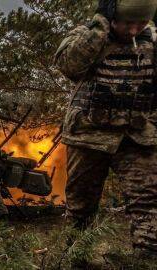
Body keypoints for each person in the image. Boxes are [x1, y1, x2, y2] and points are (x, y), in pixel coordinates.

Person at [55, 0, 157, 256]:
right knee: (80, 207)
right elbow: (68, 65)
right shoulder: (86, 34)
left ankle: (146, 260)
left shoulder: (154, 41)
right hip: (89, 134)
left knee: (148, 205)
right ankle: (76, 258)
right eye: (127, 23)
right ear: (111, 15)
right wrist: (100, 27)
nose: (134, 31)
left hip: (137, 137)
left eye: (140, 23)